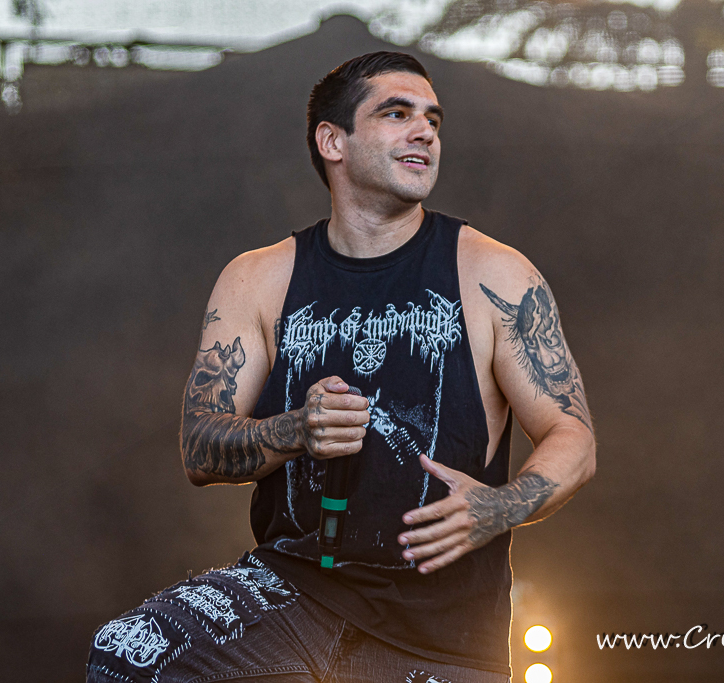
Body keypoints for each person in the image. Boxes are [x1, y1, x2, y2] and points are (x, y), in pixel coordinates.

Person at [87, 51, 595, 683]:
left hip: (440, 635)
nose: (425, 132)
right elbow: (199, 448)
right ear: (333, 141)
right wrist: (296, 429)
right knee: (128, 652)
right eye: (397, 114)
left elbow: (573, 437)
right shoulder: (258, 278)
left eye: (433, 120)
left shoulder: (495, 274)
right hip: (294, 596)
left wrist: (500, 505)